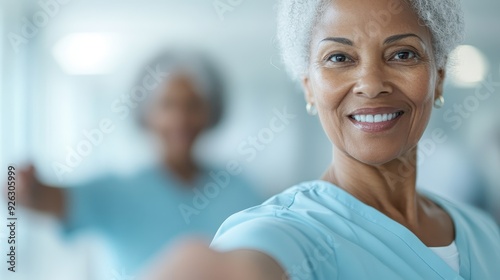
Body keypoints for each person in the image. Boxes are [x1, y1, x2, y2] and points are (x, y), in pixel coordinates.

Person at [139, 0, 500, 279]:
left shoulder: (482, 232)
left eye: (403, 54)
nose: (371, 84)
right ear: (309, 88)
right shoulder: (293, 232)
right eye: (339, 57)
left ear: (438, 77)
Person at [12, 50, 262, 273]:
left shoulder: (240, 191)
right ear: (147, 113)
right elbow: (50, 199)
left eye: (193, 105)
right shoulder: (117, 191)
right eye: (168, 105)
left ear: (210, 112)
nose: (180, 118)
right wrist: (26, 189)